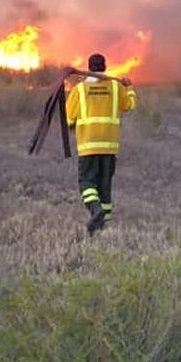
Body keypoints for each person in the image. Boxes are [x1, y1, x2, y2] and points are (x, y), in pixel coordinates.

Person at [65, 53, 137, 236]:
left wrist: (74, 125)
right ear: (104, 67)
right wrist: (129, 88)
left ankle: (96, 210)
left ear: (89, 68)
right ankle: (102, 225)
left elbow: (68, 120)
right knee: (105, 184)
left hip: (88, 145)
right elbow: (130, 105)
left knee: (86, 182)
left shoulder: (79, 90)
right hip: (109, 146)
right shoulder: (115, 87)